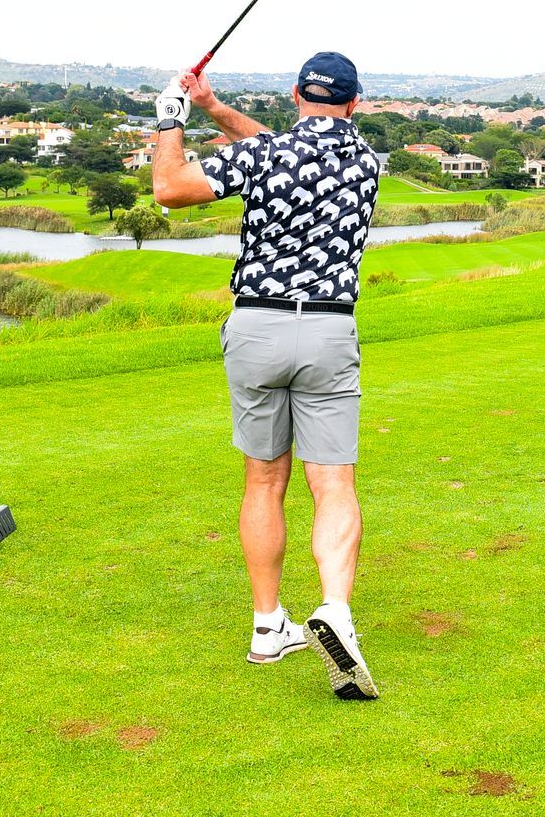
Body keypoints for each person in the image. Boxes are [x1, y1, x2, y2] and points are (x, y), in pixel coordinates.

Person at [150, 50, 383, 700]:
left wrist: (171, 119)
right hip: (329, 331)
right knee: (332, 483)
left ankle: (267, 627)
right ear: (354, 103)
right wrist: (213, 107)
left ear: (295, 93)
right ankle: (335, 611)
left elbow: (170, 188)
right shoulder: (366, 161)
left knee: (263, 479)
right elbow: (292, 150)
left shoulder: (265, 155)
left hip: (256, 327)